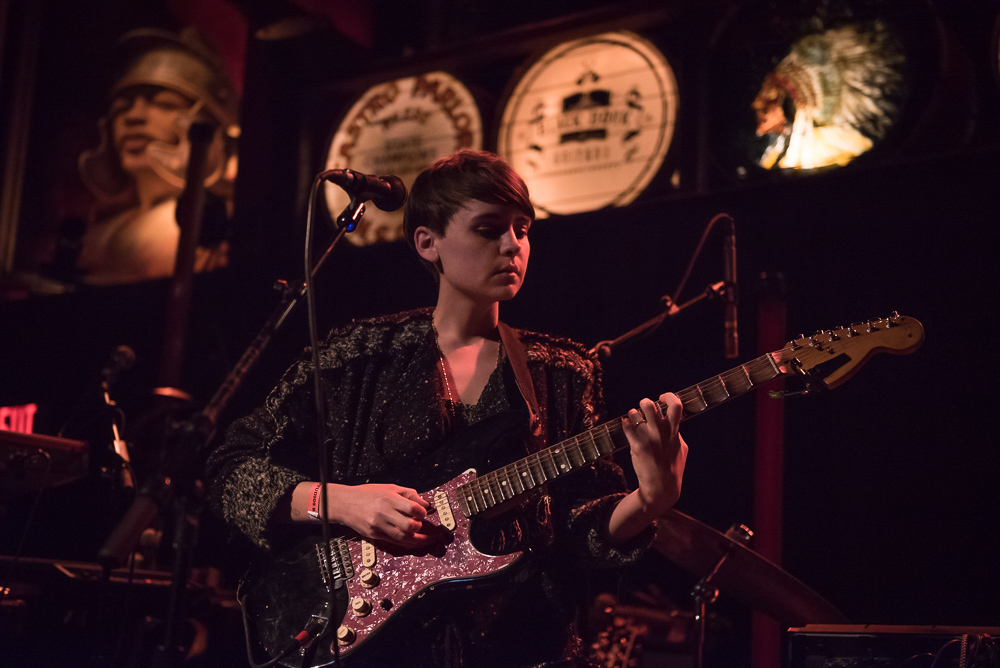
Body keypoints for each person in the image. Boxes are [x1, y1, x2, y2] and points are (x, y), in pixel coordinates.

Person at [206, 150, 688, 667]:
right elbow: (229, 469)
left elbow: (579, 535)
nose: (513, 245)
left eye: (523, 230)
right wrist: (341, 503)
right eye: (489, 229)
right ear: (427, 242)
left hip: (523, 648)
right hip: (374, 648)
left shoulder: (564, 371)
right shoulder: (356, 356)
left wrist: (649, 501)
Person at [75, 28, 239, 285]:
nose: (134, 116)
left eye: (165, 103)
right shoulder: (95, 235)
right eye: (121, 108)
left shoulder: (215, 229)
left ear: (210, 122)